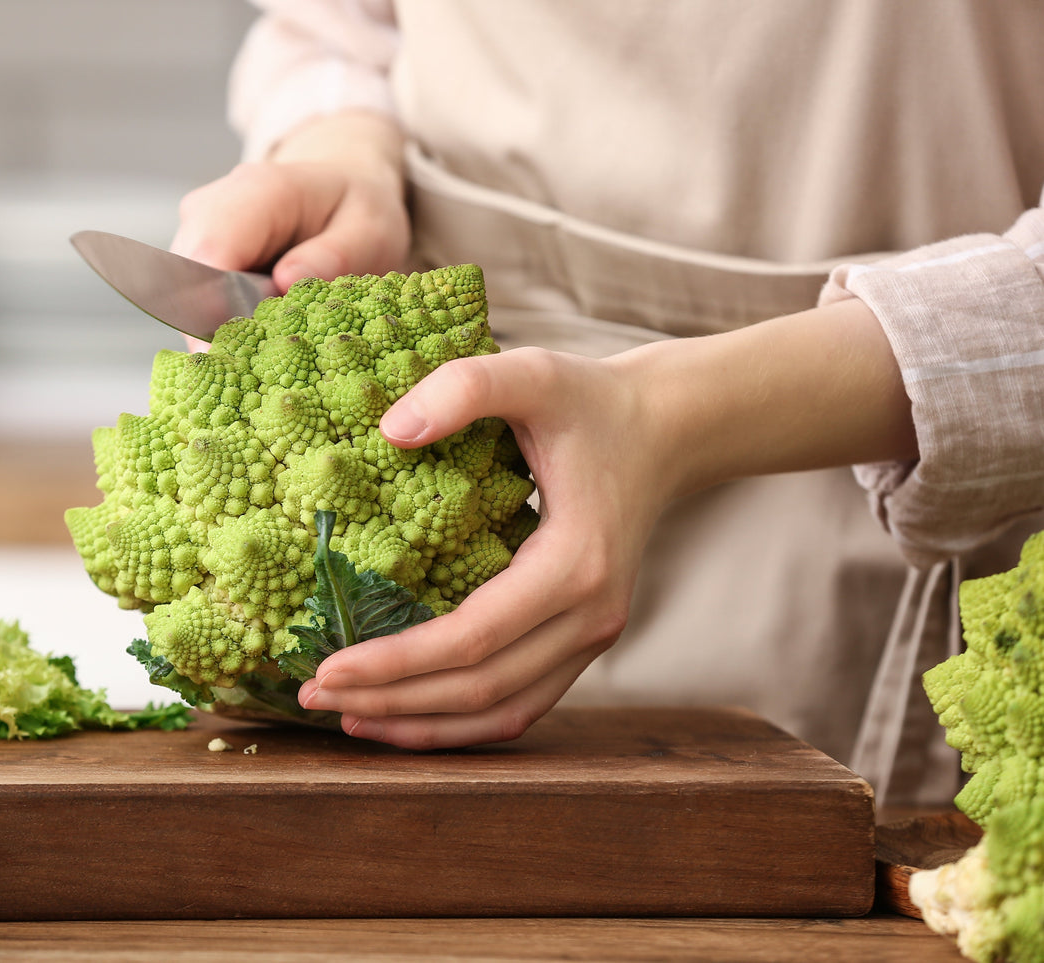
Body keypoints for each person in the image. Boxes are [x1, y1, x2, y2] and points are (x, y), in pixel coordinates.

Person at [169, 1, 1044, 807]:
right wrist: (341, 146)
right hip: (455, 416)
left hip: (894, 454)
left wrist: (670, 413)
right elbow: (335, 29)